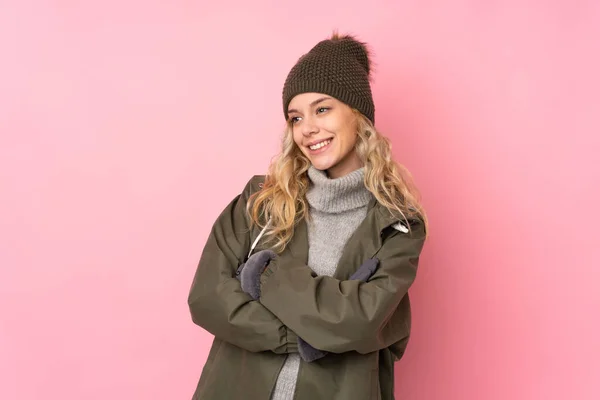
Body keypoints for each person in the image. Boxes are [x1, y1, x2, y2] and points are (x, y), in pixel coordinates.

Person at [187, 32, 428, 400]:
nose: (307, 128)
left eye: (322, 109)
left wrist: (266, 275)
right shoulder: (260, 201)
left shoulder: (397, 225)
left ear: (357, 114)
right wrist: (301, 334)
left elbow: (358, 322)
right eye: (295, 117)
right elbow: (207, 297)